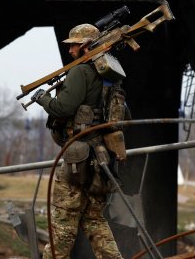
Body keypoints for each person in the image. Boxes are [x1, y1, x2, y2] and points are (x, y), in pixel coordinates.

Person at [32, 23, 123, 259]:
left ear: (85, 47)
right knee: (94, 220)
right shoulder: (108, 76)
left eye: (74, 46)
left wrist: (43, 99)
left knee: (63, 221)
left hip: (79, 158)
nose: (70, 51)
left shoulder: (80, 72)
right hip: (102, 157)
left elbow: (63, 108)